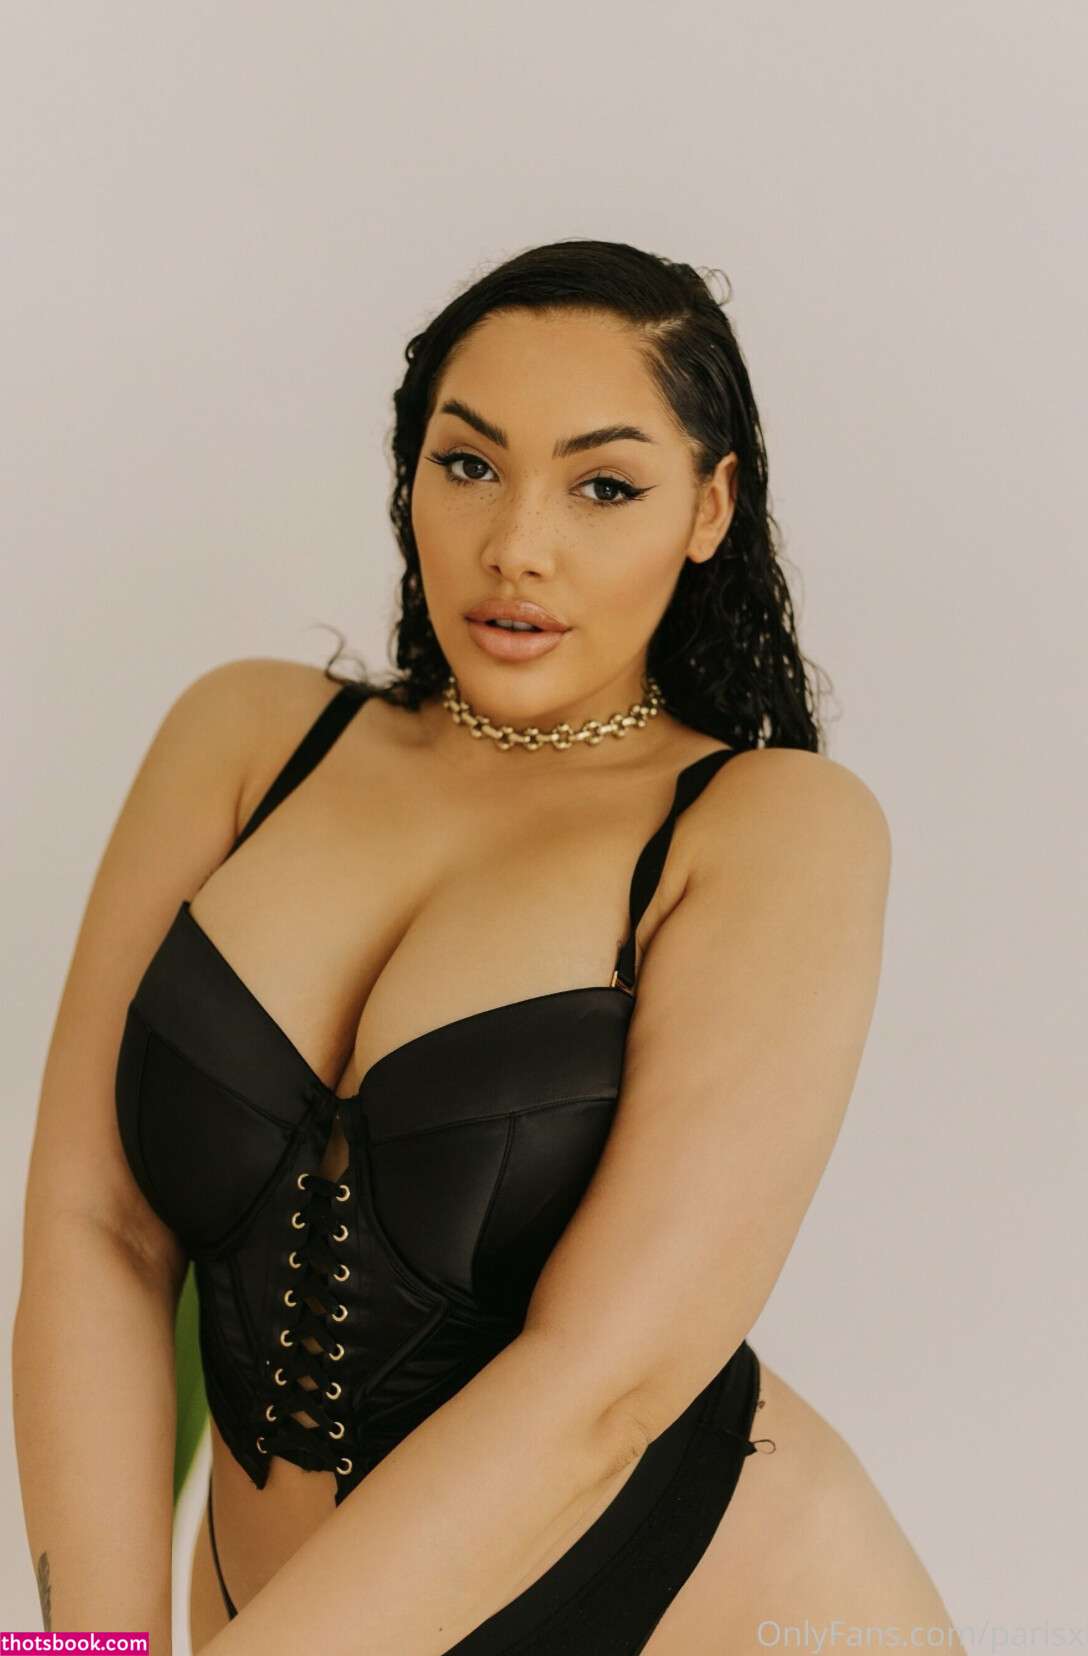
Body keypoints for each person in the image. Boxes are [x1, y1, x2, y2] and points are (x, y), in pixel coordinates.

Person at [15, 239, 958, 1654]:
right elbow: (96, 1230)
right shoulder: (247, 743)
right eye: (468, 464)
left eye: (604, 486)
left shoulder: (770, 829)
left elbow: (603, 1387)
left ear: (708, 508)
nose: (517, 543)